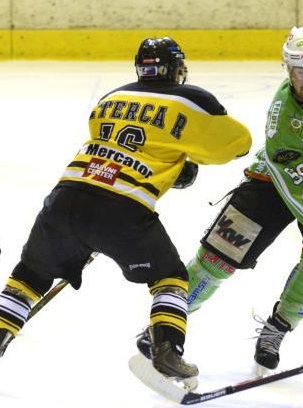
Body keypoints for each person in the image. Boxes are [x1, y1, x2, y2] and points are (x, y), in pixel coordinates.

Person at [137, 25, 303, 372]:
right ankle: (166, 325)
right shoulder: (283, 117)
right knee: (220, 255)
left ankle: (275, 331)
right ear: (287, 68)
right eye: (299, 70)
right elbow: (301, 182)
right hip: (274, 180)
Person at [0, 37, 252, 381]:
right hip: (122, 209)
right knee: (171, 279)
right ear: (176, 68)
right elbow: (236, 146)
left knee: (29, 277)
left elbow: (120, 142)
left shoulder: (111, 98)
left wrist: (170, 161)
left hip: (66, 196)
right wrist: (184, 159)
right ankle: (167, 351)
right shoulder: (193, 98)